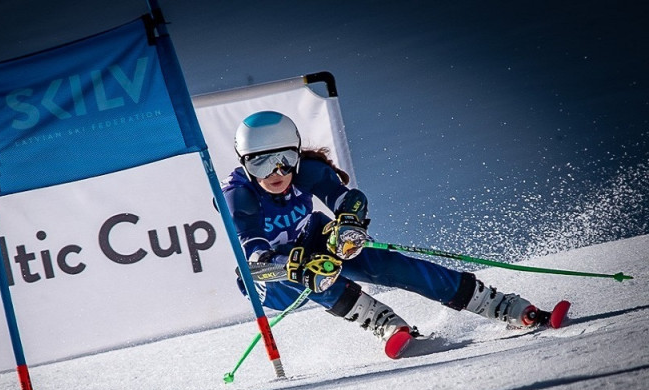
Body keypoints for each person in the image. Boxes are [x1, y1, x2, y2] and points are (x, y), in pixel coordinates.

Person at [221, 110, 552, 359]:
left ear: (296, 153)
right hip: (267, 278)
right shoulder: (240, 196)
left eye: (285, 159)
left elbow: (347, 199)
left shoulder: (306, 172)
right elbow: (255, 257)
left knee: (382, 263)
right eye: (261, 164)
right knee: (317, 278)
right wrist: (295, 267)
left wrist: (349, 222)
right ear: (244, 163)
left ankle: (496, 303)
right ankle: (381, 321)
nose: (277, 172)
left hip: (312, 238)